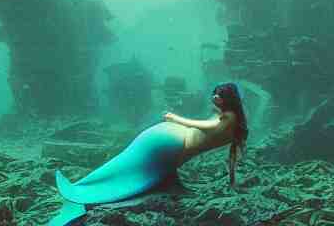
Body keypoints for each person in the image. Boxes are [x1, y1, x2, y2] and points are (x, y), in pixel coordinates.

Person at [47, 82, 249, 226]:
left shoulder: (228, 118)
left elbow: (207, 126)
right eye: (215, 94)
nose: (214, 98)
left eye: (219, 95)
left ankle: (83, 189)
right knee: (125, 167)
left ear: (229, 99)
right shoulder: (232, 119)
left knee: (124, 166)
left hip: (172, 143)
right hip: (168, 143)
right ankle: (81, 190)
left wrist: (175, 118)